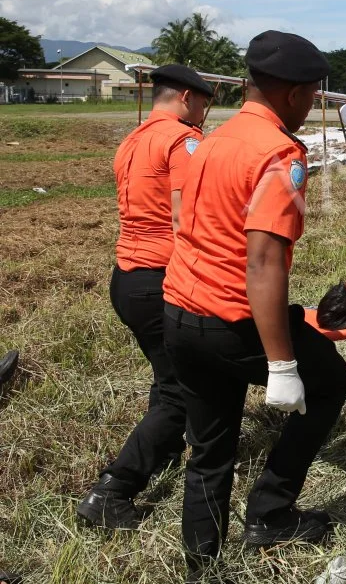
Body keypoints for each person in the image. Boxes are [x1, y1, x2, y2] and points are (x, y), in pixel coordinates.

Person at [161, 31, 346, 579]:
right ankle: (271, 512)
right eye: (312, 96)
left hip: (180, 310)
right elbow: (264, 262)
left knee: (210, 445)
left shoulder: (212, 140)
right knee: (331, 383)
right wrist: (282, 364)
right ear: (293, 94)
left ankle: (201, 565)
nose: (311, 105)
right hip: (232, 319)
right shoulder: (278, 153)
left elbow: (185, 222)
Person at [76, 65, 213, 530]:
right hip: (162, 277)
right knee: (181, 393)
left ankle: (165, 449)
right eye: (204, 103)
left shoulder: (132, 140)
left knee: (166, 371)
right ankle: (113, 490)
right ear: (187, 97)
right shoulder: (182, 140)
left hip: (127, 279)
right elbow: (185, 217)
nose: (204, 113)